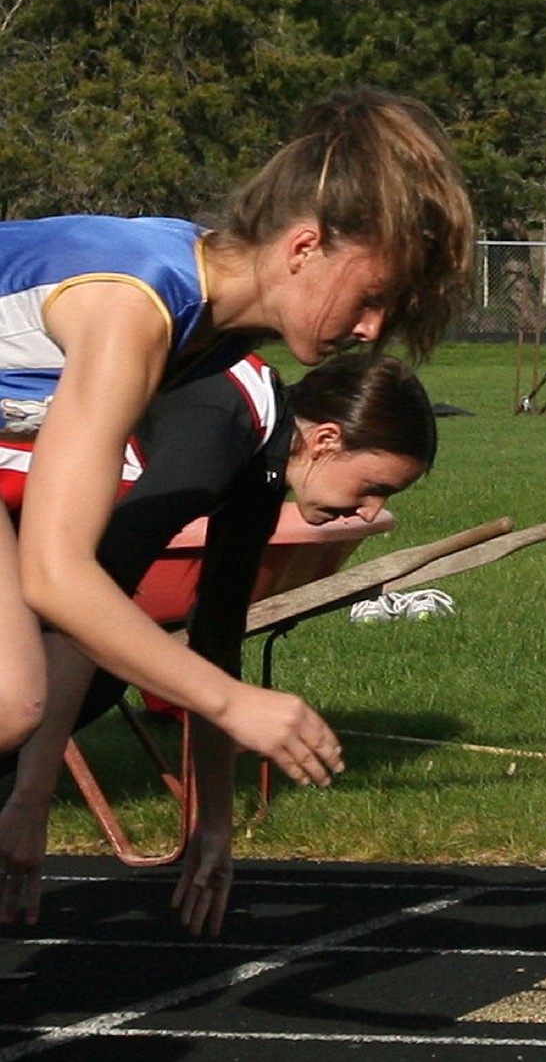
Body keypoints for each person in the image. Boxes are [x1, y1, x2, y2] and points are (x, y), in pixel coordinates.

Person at [0, 87, 472, 760]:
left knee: (12, 698)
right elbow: (57, 573)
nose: (372, 330)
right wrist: (231, 701)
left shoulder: (207, 323)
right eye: (372, 298)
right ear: (303, 246)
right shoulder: (134, 305)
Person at [0, 350, 437, 935]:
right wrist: (32, 798)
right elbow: (84, 600)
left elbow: (216, 641)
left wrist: (214, 821)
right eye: (375, 486)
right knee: (35, 700)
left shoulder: (260, 453)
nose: (371, 510)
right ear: (328, 439)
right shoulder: (222, 428)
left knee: (87, 685)